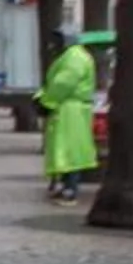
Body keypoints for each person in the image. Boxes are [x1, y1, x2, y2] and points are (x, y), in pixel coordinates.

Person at [37, 30, 99, 205]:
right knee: (67, 150)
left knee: (69, 152)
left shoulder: (74, 58)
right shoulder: (75, 56)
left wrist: (46, 101)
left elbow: (62, 83)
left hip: (69, 111)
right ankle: (66, 186)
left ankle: (70, 190)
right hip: (69, 109)